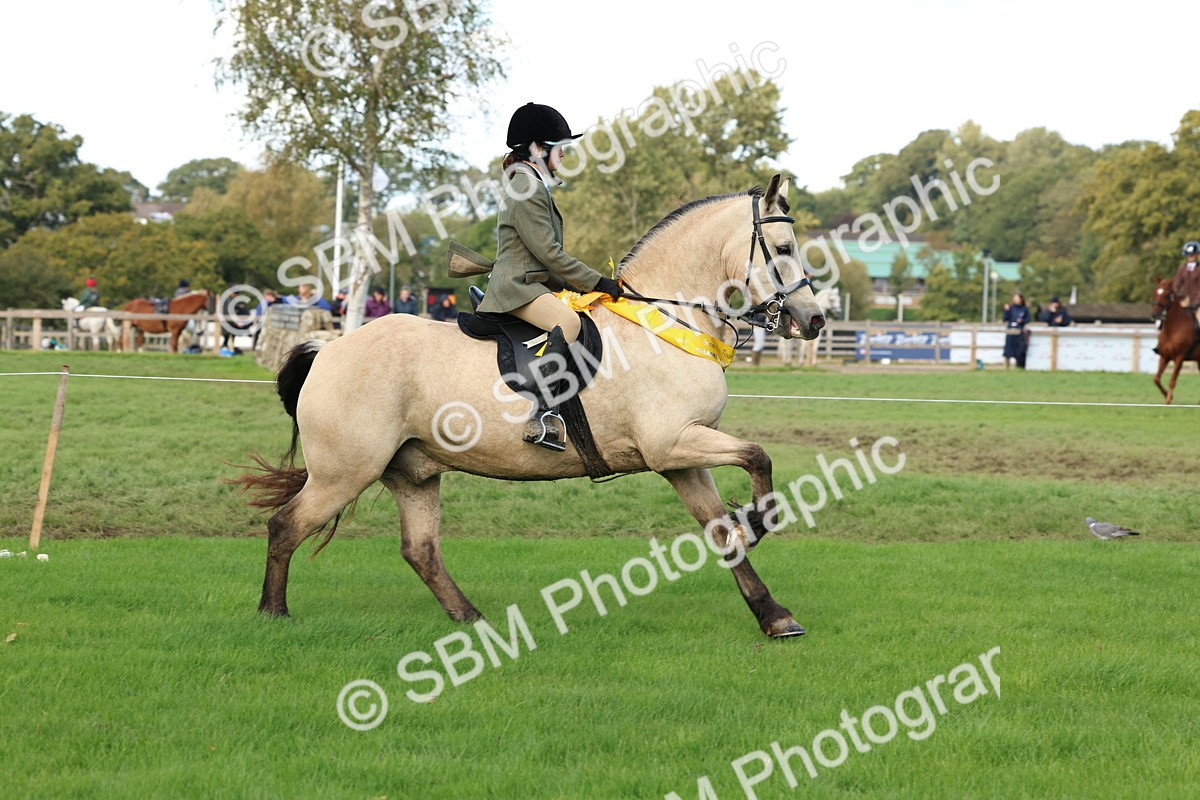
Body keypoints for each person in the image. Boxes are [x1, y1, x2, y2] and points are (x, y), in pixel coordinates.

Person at [475, 102, 623, 450]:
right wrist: (598, 282)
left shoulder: (531, 183)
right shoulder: (525, 187)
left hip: (532, 284)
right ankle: (540, 415)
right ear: (538, 149)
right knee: (568, 324)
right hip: (517, 288)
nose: (565, 155)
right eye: (561, 148)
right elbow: (550, 254)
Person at [1171, 240, 1200, 330]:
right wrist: (1174, 296)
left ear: (1197, 255)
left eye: (1193, 254)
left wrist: (1197, 302)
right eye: (1189, 255)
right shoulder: (1182, 268)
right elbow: (1176, 284)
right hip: (1185, 299)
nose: (1191, 257)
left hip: (1198, 301)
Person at [1002, 292, 1031, 369]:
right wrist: (1006, 311)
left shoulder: (1024, 309)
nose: (1016, 300)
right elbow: (1005, 318)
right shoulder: (1011, 308)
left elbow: (1027, 319)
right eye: (1015, 298)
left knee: (1019, 349)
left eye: (1018, 298)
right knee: (1008, 349)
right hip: (1011, 330)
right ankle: (1006, 366)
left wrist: (1022, 321)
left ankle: (1019, 365)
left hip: (1019, 331)